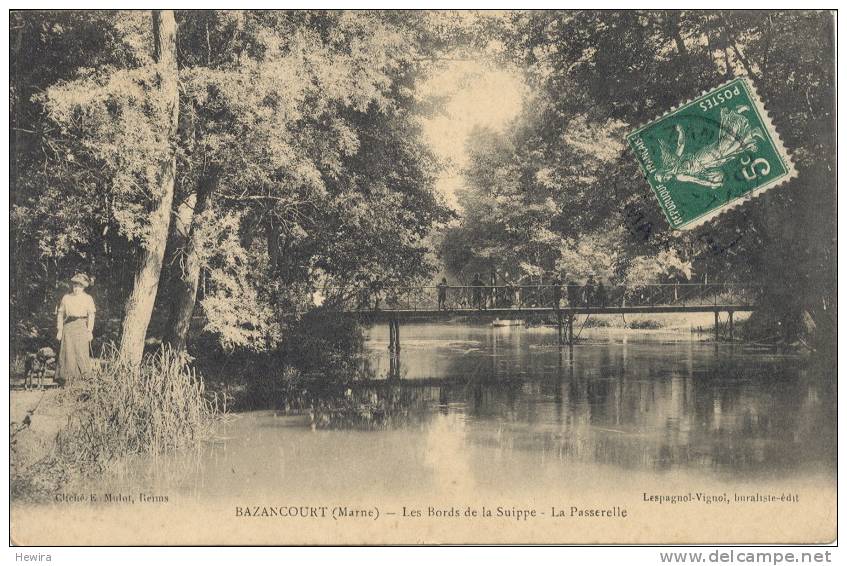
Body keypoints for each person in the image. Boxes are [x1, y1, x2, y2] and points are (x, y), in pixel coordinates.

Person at [56, 273, 96, 386]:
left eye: (79, 286)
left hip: (82, 326)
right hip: (68, 327)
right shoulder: (66, 298)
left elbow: (91, 315)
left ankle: (83, 379)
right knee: (68, 352)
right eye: (74, 286)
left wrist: (89, 331)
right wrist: (59, 329)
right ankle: (67, 380)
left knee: (81, 351)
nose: (76, 288)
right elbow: (60, 314)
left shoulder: (88, 298)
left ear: (83, 287)